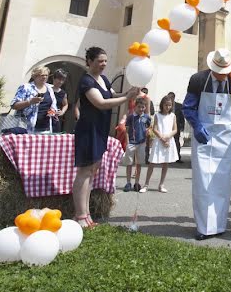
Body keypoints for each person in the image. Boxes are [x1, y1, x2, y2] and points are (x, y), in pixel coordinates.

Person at [182, 48, 231, 240]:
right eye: (219, 73)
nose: (222, 76)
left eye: (225, 73)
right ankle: (204, 227)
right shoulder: (198, 80)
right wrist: (196, 126)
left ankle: (219, 225)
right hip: (203, 134)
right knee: (203, 180)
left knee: (221, 181)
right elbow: (188, 106)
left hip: (225, 136)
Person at [72, 46, 137, 229]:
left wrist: (128, 93)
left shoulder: (104, 79)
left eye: (105, 61)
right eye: (100, 61)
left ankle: (87, 214)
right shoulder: (86, 81)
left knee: (92, 171)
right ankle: (80, 215)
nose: (104, 64)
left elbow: (112, 94)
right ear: (90, 61)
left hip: (100, 130)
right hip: (88, 130)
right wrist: (126, 99)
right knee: (84, 172)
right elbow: (101, 103)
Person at [144, 95, 178, 192]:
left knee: (165, 163)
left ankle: (161, 184)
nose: (168, 107)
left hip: (168, 140)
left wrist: (168, 137)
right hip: (159, 141)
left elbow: (175, 129)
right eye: (166, 105)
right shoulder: (157, 115)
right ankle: (146, 184)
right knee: (152, 162)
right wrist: (162, 137)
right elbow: (154, 128)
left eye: (170, 105)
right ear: (162, 105)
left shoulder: (173, 116)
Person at [9, 66, 56, 134]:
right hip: (26, 128)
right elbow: (14, 105)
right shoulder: (26, 87)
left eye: (46, 75)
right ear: (35, 76)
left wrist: (52, 113)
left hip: (45, 129)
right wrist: (30, 102)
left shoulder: (50, 89)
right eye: (42, 75)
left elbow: (53, 107)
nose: (44, 77)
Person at [121, 96, 151, 192]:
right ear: (135, 107)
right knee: (129, 163)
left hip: (142, 143)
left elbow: (148, 127)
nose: (141, 109)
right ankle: (128, 182)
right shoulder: (131, 117)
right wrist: (127, 141)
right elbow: (127, 129)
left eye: (143, 107)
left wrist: (148, 132)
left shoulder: (146, 117)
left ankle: (137, 182)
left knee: (139, 163)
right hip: (132, 142)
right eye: (139, 107)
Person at [167, 91, 185, 163]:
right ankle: (168, 157)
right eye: (169, 97)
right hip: (167, 126)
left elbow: (182, 117)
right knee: (168, 141)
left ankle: (177, 157)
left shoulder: (179, 106)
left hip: (176, 126)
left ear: (174, 98)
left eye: (171, 97)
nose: (170, 99)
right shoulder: (166, 105)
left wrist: (182, 126)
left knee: (176, 141)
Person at [49, 69, 69, 133]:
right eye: (59, 79)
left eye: (62, 80)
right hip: (44, 119)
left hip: (55, 120)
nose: (60, 82)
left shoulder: (63, 93)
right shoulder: (47, 89)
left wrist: (62, 112)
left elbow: (65, 104)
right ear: (54, 78)